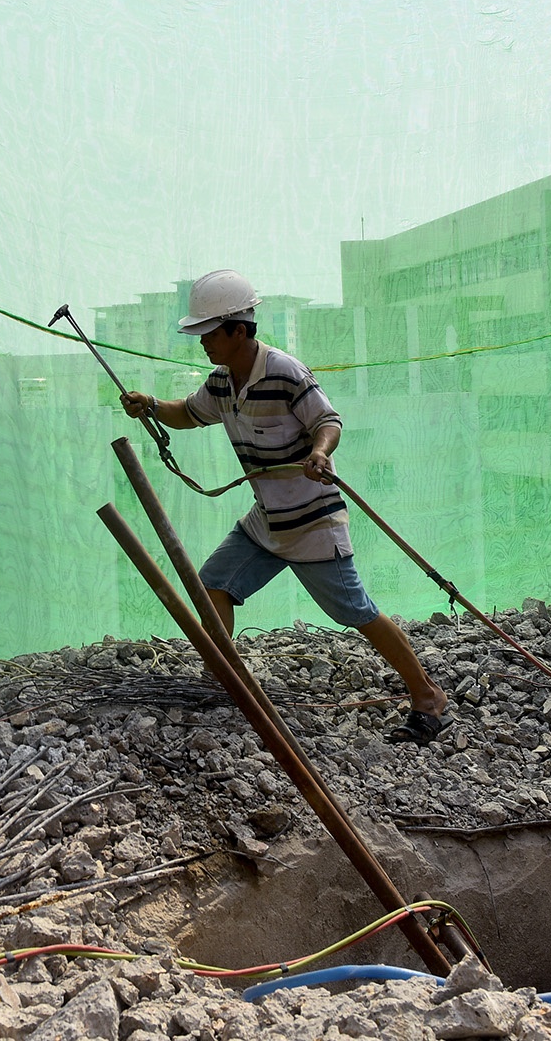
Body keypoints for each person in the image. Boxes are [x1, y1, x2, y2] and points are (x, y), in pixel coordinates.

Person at [119, 269, 452, 744]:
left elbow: (328, 421)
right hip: (267, 521)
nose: (203, 343)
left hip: (312, 523)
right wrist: (151, 404)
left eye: (210, 333)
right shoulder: (222, 383)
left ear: (238, 330)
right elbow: (188, 414)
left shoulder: (285, 372)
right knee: (213, 586)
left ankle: (427, 696)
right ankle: (228, 684)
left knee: (356, 612)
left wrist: (320, 452)